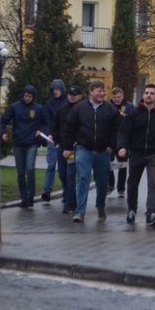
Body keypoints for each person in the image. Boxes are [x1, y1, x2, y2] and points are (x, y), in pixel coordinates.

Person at [116, 84, 155, 226]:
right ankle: (132, 210)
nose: (149, 95)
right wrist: (122, 147)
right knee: (132, 183)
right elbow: (124, 131)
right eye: (147, 93)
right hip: (137, 153)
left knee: (154, 183)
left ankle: (151, 212)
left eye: (152, 93)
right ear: (143, 95)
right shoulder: (134, 113)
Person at [62, 80, 121, 223]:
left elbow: (117, 129)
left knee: (102, 182)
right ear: (91, 92)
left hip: (103, 150)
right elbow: (69, 128)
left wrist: (112, 146)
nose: (102, 93)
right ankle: (80, 211)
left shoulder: (110, 109)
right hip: (84, 148)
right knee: (83, 178)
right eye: (99, 91)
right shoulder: (79, 108)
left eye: (103, 91)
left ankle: (100, 205)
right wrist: (68, 147)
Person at [0, 84, 49, 208]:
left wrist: (41, 131)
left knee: (30, 168)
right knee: (20, 172)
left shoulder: (38, 108)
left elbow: (46, 123)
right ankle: (23, 197)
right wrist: (3, 132)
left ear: (33, 97)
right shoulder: (14, 107)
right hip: (18, 143)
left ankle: (30, 196)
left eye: (30, 96)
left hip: (32, 142)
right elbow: (4, 120)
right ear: (23, 95)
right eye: (26, 96)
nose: (27, 98)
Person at [51, 85, 82, 214]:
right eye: (70, 94)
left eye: (74, 95)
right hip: (62, 147)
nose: (72, 97)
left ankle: (70, 203)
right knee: (62, 174)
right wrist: (57, 142)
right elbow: (55, 126)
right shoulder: (62, 110)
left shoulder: (83, 110)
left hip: (74, 148)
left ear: (80, 96)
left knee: (70, 175)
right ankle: (69, 195)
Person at [40, 79, 66, 203]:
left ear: (62, 89)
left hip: (65, 139)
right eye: (54, 89)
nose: (56, 91)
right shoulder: (49, 104)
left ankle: (66, 190)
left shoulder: (67, 102)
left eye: (58, 89)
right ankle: (47, 190)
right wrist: (49, 133)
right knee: (51, 164)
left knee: (64, 167)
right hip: (52, 139)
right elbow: (46, 120)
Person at [107, 87, 135, 199]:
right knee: (108, 163)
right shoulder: (108, 106)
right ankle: (110, 185)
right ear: (111, 97)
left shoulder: (129, 107)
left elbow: (134, 120)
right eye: (114, 97)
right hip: (110, 139)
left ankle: (121, 188)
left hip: (123, 140)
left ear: (122, 96)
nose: (117, 99)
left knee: (123, 164)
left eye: (119, 97)